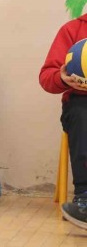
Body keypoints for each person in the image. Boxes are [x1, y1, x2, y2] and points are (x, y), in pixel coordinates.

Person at [40, 14, 87, 229]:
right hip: (81, 103)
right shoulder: (72, 30)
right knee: (82, 114)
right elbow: (46, 77)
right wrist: (62, 78)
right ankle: (85, 200)